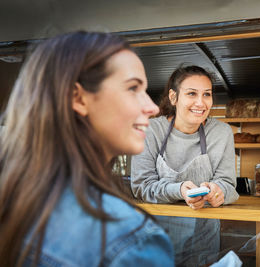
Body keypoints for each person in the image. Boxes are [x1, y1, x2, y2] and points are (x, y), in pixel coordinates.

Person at [0, 31, 174, 266]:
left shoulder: (14, 198)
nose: (152, 107)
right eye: (133, 88)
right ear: (78, 98)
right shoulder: (129, 239)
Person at [131, 65, 239, 266]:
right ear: (173, 97)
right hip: (157, 240)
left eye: (207, 94)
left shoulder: (222, 133)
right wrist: (179, 190)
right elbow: (141, 186)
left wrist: (218, 192)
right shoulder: (151, 130)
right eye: (191, 93)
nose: (201, 102)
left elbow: (228, 184)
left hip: (204, 241)